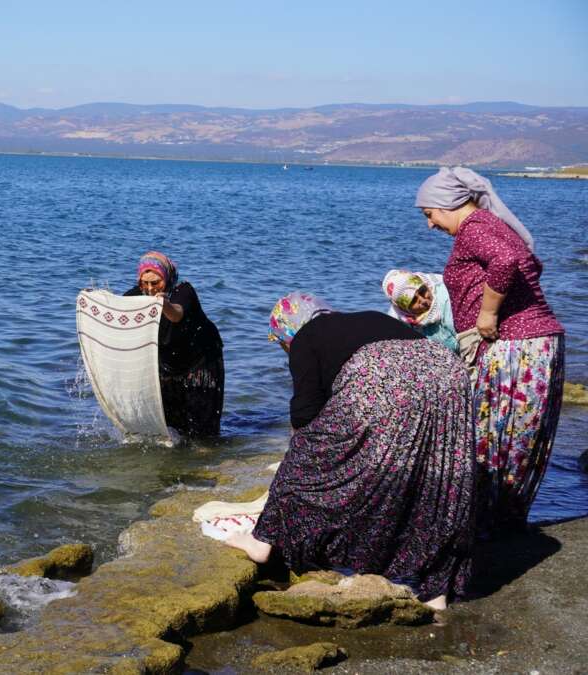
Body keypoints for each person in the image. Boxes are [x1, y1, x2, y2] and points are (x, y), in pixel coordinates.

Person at [226, 292, 476, 610]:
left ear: (289, 327)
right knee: (432, 480)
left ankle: (262, 541)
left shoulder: (305, 337)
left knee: (307, 451)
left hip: (384, 373)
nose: (286, 348)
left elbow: (304, 416)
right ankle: (436, 590)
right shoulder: (372, 317)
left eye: (282, 341)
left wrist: (296, 471)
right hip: (449, 374)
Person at [415, 167, 565, 533]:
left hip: (517, 347)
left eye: (429, 215)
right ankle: (502, 521)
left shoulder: (475, 228)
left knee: (493, 438)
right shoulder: (493, 226)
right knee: (515, 439)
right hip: (534, 344)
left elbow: (507, 262)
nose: (430, 225)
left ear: (445, 204)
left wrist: (487, 313)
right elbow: (529, 262)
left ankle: (487, 525)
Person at [122, 251, 224, 437]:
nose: (150, 288)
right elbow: (118, 307)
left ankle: (208, 459)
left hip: (201, 361)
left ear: (167, 278)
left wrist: (164, 304)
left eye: (156, 282)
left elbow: (176, 314)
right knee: (172, 425)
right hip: (169, 364)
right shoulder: (137, 294)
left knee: (202, 426)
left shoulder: (183, 291)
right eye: (145, 283)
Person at [381, 269, 458, 352]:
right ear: (405, 309)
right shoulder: (399, 324)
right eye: (414, 300)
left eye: (422, 291)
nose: (423, 300)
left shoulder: (446, 297)